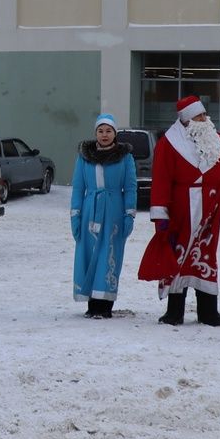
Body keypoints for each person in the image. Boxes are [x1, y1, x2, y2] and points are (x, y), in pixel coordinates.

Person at [148, 96, 220, 326]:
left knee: (206, 257)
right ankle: (174, 312)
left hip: (210, 212)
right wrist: (160, 215)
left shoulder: (218, 140)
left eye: (204, 115)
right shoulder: (169, 144)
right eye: (198, 116)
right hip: (182, 211)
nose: (203, 119)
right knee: (179, 257)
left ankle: (208, 311)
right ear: (185, 120)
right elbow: (161, 181)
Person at [70, 113, 137, 319]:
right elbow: (78, 187)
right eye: (100, 131)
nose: (104, 135)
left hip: (113, 212)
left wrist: (129, 214)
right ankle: (91, 303)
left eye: (108, 131)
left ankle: (105, 304)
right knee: (89, 255)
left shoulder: (124, 157)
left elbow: (130, 187)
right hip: (90, 211)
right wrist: (76, 215)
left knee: (109, 255)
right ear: (95, 133)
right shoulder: (85, 156)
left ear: (115, 134)